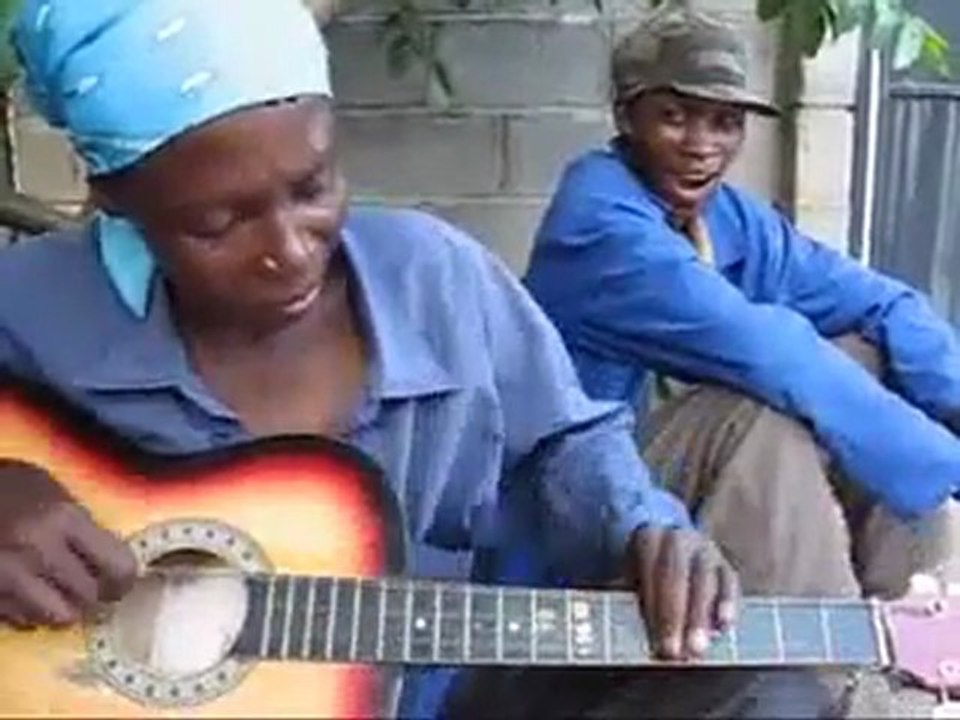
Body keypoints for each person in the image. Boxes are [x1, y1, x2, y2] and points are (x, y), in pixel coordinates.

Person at [0, 1, 744, 718]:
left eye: (312, 188)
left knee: (758, 693)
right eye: (217, 224)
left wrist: (642, 526)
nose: (290, 251)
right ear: (114, 197)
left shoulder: (438, 279)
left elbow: (564, 440)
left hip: (441, 699)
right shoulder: (34, 307)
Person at [524, 0, 960, 654]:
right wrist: (950, 465)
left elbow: (883, 302)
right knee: (763, 415)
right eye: (674, 117)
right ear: (626, 117)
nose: (702, 146)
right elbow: (772, 354)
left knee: (865, 351)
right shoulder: (599, 223)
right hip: (592, 509)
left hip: (683, 496)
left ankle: (925, 625)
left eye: (725, 122)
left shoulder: (726, 217)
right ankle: (832, 669)